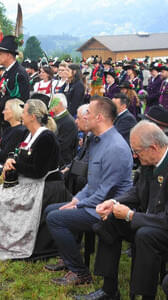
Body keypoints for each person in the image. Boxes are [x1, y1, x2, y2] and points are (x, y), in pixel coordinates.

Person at [45, 96, 133, 286]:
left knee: (55, 218)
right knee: (51, 210)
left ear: (100, 117)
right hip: (95, 202)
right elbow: (92, 184)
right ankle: (69, 259)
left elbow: (105, 193)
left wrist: (79, 206)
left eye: (89, 113)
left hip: (107, 209)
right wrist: (76, 201)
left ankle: (80, 273)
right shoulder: (96, 139)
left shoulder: (115, 147)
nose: (85, 116)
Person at [74, 121, 168, 300]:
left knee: (146, 235)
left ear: (153, 147)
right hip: (147, 218)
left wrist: (130, 215)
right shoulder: (150, 161)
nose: (134, 155)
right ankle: (109, 290)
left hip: (161, 228)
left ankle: (143, 295)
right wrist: (114, 201)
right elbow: (137, 192)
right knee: (109, 221)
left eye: (137, 151)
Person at [0, 99, 67, 260]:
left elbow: (38, 171)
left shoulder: (46, 138)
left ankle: (4, 239)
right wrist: (11, 160)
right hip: (28, 180)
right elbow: (18, 154)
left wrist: (15, 165)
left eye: (24, 112)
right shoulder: (30, 135)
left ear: (32, 116)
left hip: (43, 185)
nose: (22, 115)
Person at [0, 35, 30, 136]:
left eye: (0, 54)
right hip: (4, 119)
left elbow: (12, 98)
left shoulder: (18, 73)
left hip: (13, 123)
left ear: (8, 55)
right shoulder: (9, 72)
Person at [49, 93, 78, 168]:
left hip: (62, 163)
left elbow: (62, 145)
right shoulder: (57, 118)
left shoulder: (68, 122)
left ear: (59, 104)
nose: (49, 105)